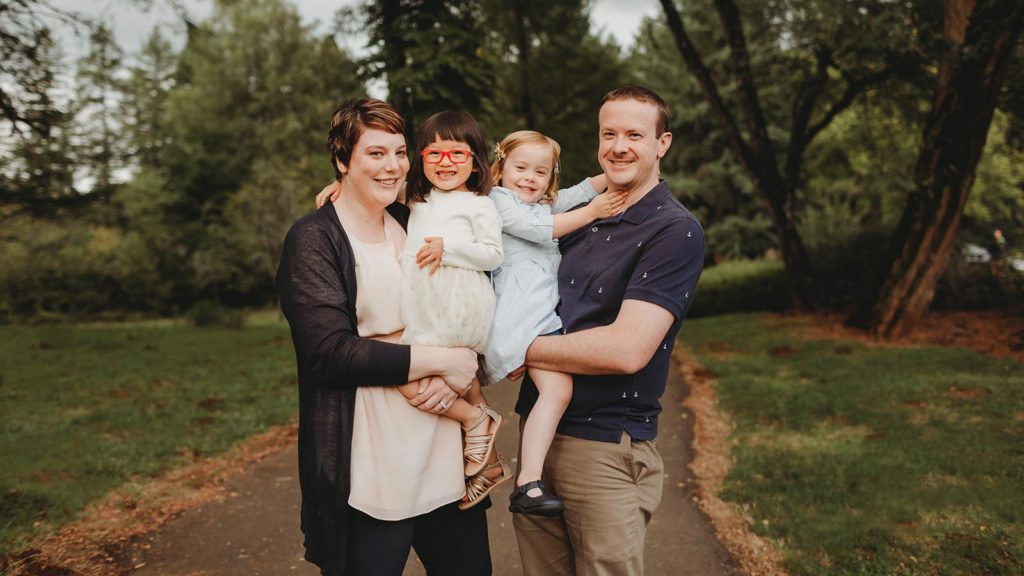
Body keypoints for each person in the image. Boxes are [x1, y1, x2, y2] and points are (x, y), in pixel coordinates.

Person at [276, 98, 491, 576]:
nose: (393, 165)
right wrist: (443, 360)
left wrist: (461, 357)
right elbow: (328, 352)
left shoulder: (412, 218)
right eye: (375, 153)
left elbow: (469, 288)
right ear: (341, 160)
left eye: (399, 152)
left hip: (442, 451)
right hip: (372, 466)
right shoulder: (314, 240)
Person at [512, 86, 705, 576]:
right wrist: (359, 195)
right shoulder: (579, 215)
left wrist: (521, 348)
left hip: (602, 449)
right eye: (609, 134)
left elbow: (627, 349)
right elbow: (483, 216)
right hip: (539, 436)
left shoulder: (672, 230)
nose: (619, 146)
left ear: (662, 144)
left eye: (634, 135)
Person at [484, 130, 625, 516]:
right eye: (521, 168)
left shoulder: (542, 204)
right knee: (554, 390)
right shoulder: (499, 202)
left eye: (541, 172)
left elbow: (580, 191)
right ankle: (501, 469)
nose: (530, 177)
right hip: (518, 319)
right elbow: (539, 230)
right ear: (500, 170)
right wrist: (594, 212)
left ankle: (528, 482)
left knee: (558, 392)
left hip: (541, 319)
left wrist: (619, 172)